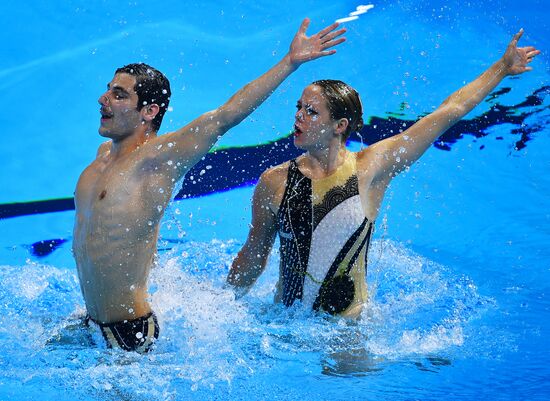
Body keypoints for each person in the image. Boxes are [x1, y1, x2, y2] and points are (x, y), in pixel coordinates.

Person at [72, 18, 346, 352]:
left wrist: (290, 62)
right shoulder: (102, 157)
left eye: (118, 95)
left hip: (129, 333)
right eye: (108, 90)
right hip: (89, 322)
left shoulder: (157, 160)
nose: (103, 99)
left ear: (149, 111)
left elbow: (226, 116)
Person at [227, 30, 540, 318]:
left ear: (339, 126)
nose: (299, 116)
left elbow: (450, 111)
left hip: (347, 327)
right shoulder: (275, 181)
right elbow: (254, 255)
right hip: (287, 325)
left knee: (351, 372)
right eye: (299, 107)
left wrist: (501, 67)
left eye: (311, 111)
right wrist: (222, 305)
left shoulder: (371, 167)